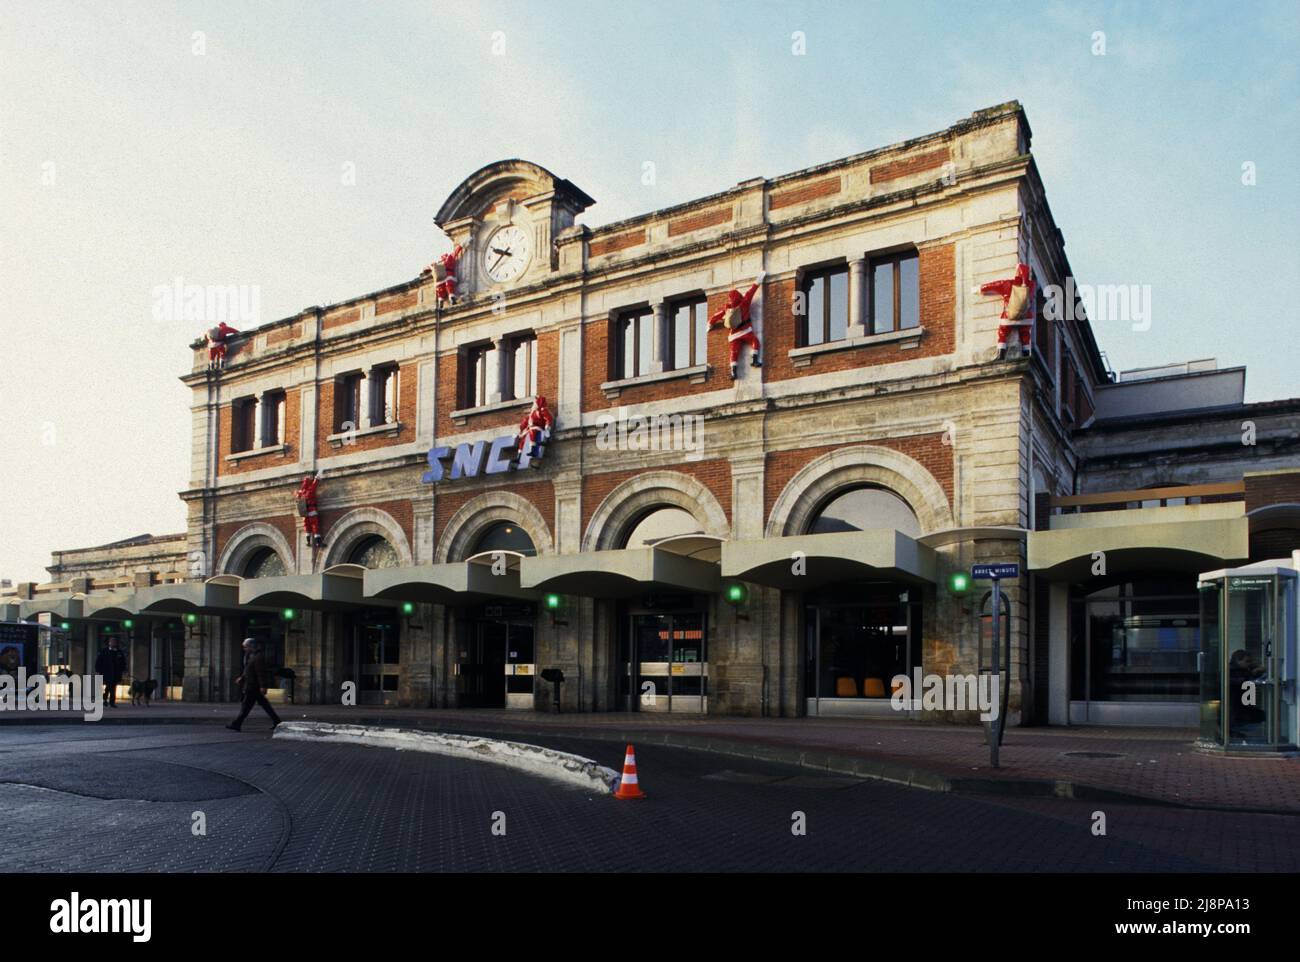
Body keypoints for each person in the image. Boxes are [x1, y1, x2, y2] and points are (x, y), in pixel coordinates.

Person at [708, 271, 765, 379]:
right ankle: (754, 360)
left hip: (733, 335)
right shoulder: (744, 303)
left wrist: (710, 324)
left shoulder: (727, 308)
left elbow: (717, 315)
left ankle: (733, 372)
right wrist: (758, 281)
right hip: (746, 331)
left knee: (734, 352)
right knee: (755, 342)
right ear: (739, 296)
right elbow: (751, 291)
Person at [227, 638, 282, 732]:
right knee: (264, 706)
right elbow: (248, 670)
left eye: (245, 647)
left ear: (251, 646)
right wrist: (242, 677)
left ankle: (236, 724)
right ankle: (277, 722)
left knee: (246, 706)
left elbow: (260, 673)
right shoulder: (252, 656)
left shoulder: (258, 657)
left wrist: (263, 686)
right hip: (252, 686)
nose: (244, 649)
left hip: (253, 686)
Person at [94, 637, 127, 708]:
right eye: (112, 642)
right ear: (109, 643)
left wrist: (124, 670)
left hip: (116, 673)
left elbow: (123, 662)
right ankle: (106, 699)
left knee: (113, 687)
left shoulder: (119, 652)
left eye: (114, 642)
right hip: (106, 672)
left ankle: (111, 701)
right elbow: (99, 661)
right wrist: (98, 670)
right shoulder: (104, 651)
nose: (113, 643)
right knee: (109, 686)